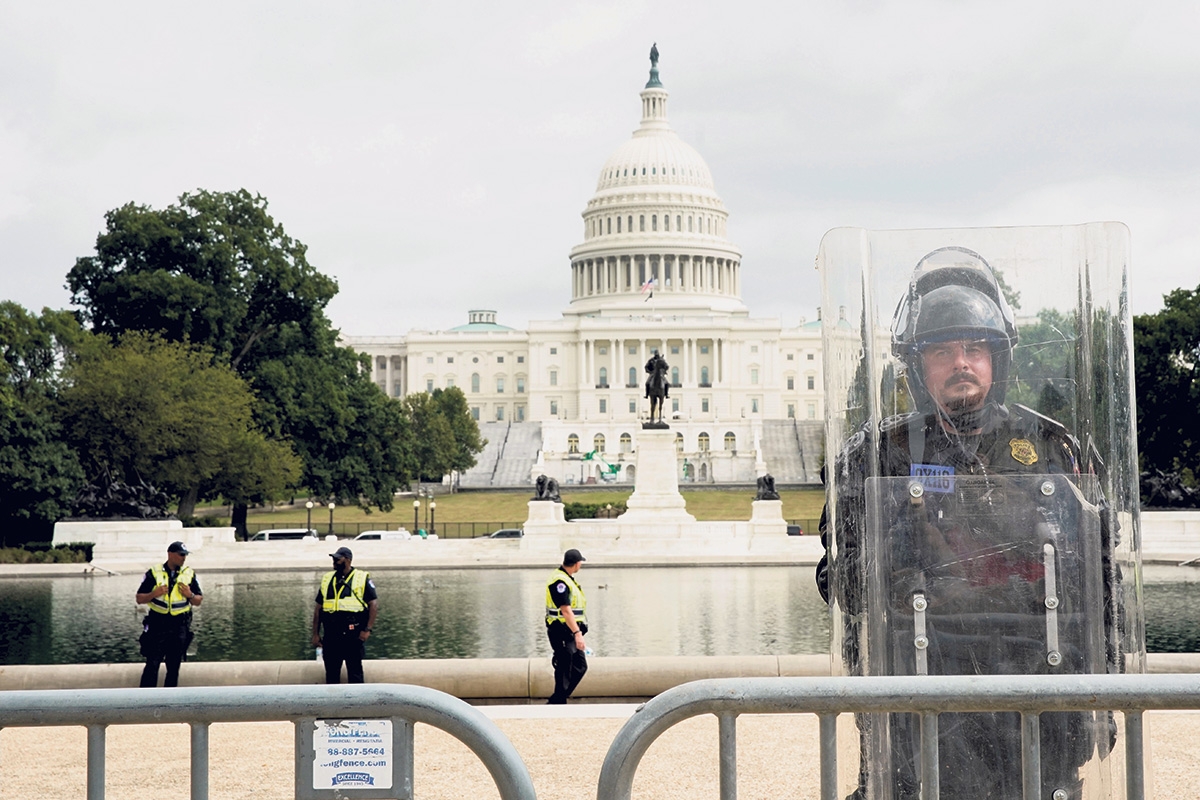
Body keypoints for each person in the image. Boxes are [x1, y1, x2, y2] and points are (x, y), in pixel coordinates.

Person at [816, 247, 1118, 800]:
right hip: (916, 687)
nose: (961, 362)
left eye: (975, 348)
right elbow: (838, 582)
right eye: (943, 350)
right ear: (917, 364)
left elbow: (1102, 582)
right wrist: (891, 547)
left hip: (1036, 684)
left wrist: (1104, 692)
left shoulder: (1054, 448)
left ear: (998, 359)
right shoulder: (875, 455)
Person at [136, 540, 203, 687]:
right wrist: (154, 593)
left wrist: (189, 595)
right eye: (180, 555)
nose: (183, 558)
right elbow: (139, 598)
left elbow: (198, 600)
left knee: (174, 666)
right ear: (170, 554)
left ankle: (169, 701)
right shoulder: (154, 573)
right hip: (158, 624)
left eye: (185, 555)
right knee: (152, 663)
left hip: (179, 625)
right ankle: (145, 699)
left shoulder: (188, 574)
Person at [312, 546, 378, 684]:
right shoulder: (327, 579)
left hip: (353, 635)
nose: (334, 561)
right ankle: (332, 705)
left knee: (355, 673)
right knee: (331, 675)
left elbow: (373, 605)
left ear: (347, 560)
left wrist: (367, 629)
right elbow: (318, 609)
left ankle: (358, 704)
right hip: (331, 635)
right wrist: (315, 634)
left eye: (337, 559)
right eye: (333, 559)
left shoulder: (361, 578)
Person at [545, 548, 589, 704]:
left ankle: (556, 700)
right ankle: (558, 702)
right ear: (577, 564)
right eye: (580, 563)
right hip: (561, 630)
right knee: (564, 666)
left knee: (580, 667)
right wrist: (577, 633)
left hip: (570, 630)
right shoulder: (560, 581)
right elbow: (565, 610)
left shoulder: (567, 578)